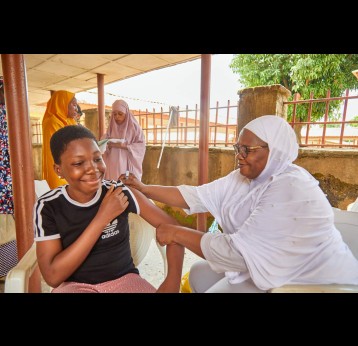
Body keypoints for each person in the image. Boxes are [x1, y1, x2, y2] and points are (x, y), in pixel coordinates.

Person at [120, 115, 358, 293]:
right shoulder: (244, 177)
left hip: (310, 279)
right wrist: (144, 188)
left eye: (248, 149)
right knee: (197, 275)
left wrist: (177, 233)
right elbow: (193, 196)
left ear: (274, 151)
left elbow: (235, 253)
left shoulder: (291, 187)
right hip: (264, 264)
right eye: (238, 147)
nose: (239, 155)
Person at [34, 125, 183, 293]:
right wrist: (102, 218)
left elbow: (174, 229)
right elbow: (53, 276)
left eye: (97, 159)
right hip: (75, 286)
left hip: (125, 281)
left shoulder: (119, 192)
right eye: (78, 163)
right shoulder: (48, 206)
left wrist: (172, 281)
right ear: (58, 170)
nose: (93, 169)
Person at [42, 90, 79, 189]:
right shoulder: (52, 122)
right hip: (58, 164)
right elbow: (60, 146)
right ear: (62, 104)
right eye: (74, 105)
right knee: (60, 192)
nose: (77, 109)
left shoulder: (70, 121)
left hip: (71, 163)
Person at [101, 99, 145, 181]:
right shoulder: (111, 127)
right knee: (113, 185)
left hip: (127, 165)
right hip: (112, 165)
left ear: (126, 113)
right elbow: (104, 142)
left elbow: (141, 146)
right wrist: (106, 143)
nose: (117, 117)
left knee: (127, 188)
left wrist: (125, 146)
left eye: (120, 114)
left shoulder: (135, 128)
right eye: (114, 114)